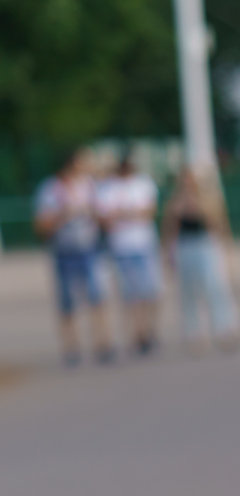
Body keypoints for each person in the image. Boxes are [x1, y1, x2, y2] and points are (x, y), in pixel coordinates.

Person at [33, 148, 115, 365]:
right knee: (67, 302)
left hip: (90, 248)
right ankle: (71, 347)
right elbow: (42, 225)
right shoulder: (51, 189)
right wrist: (64, 212)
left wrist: (94, 213)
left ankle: (102, 343)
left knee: (97, 297)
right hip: (64, 250)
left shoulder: (90, 187)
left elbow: (105, 218)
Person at [161, 166, 240, 353]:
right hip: (185, 246)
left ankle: (225, 328)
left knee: (215, 287)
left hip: (205, 244)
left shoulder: (209, 199)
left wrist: (197, 207)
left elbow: (218, 224)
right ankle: (194, 333)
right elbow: (170, 228)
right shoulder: (175, 201)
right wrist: (167, 254)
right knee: (188, 291)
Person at [96, 152, 163, 356]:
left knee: (151, 290)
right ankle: (138, 332)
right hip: (121, 247)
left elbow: (149, 212)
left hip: (143, 244)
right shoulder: (107, 188)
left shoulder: (143, 184)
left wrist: (123, 214)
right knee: (130, 293)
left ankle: (150, 329)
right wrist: (131, 214)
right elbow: (105, 218)